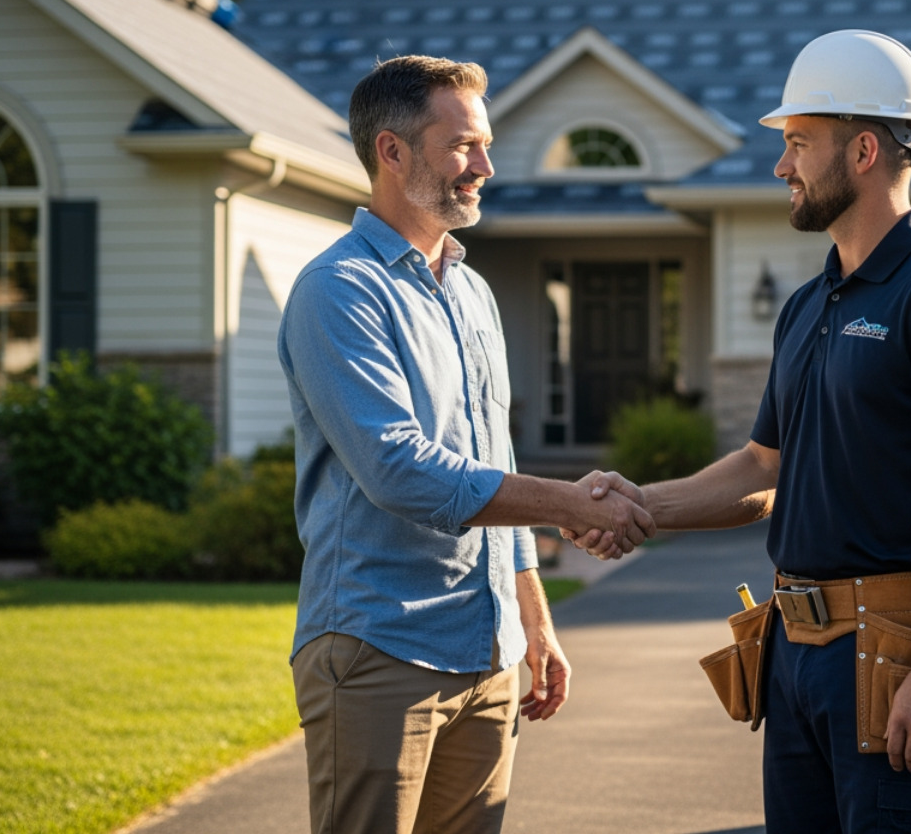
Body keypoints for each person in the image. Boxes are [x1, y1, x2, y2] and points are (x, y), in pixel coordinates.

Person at [571, 29, 911, 833]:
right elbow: (760, 466)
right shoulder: (808, 303)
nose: (781, 166)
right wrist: (638, 507)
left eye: (798, 143)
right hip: (795, 658)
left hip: (896, 662)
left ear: (863, 151)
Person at [278, 55, 654, 834]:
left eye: (484, 145)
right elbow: (400, 468)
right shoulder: (338, 291)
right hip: (380, 646)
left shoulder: (472, 290)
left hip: (486, 651)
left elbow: (493, 459)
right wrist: (567, 504)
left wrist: (535, 619)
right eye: (462, 146)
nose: (485, 166)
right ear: (391, 151)